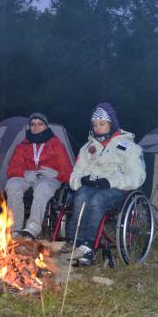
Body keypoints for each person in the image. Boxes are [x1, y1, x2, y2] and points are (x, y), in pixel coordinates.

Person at [63, 103, 146, 266]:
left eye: (102, 124)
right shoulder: (87, 148)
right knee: (80, 196)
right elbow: (75, 174)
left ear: (112, 124)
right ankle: (75, 242)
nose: (97, 128)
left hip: (117, 189)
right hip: (91, 186)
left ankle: (87, 247)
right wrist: (81, 180)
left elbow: (138, 177)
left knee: (97, 200)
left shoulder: (129, 147)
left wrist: (111, 182)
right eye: (95, 124)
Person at [5, 113, 73, 239]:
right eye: (33, 124)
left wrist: (56, 174)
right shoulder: (22, 146)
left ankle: (33, 228)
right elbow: (12, 168)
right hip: (28, 177)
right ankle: (15, 230)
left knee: (42, 187)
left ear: (46, 126)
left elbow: (68, 171)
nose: (36, 127)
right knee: (12, 184)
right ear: (29, 127)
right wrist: (24, 173)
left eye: (40, 124)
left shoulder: (56, 145)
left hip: (49, 177)